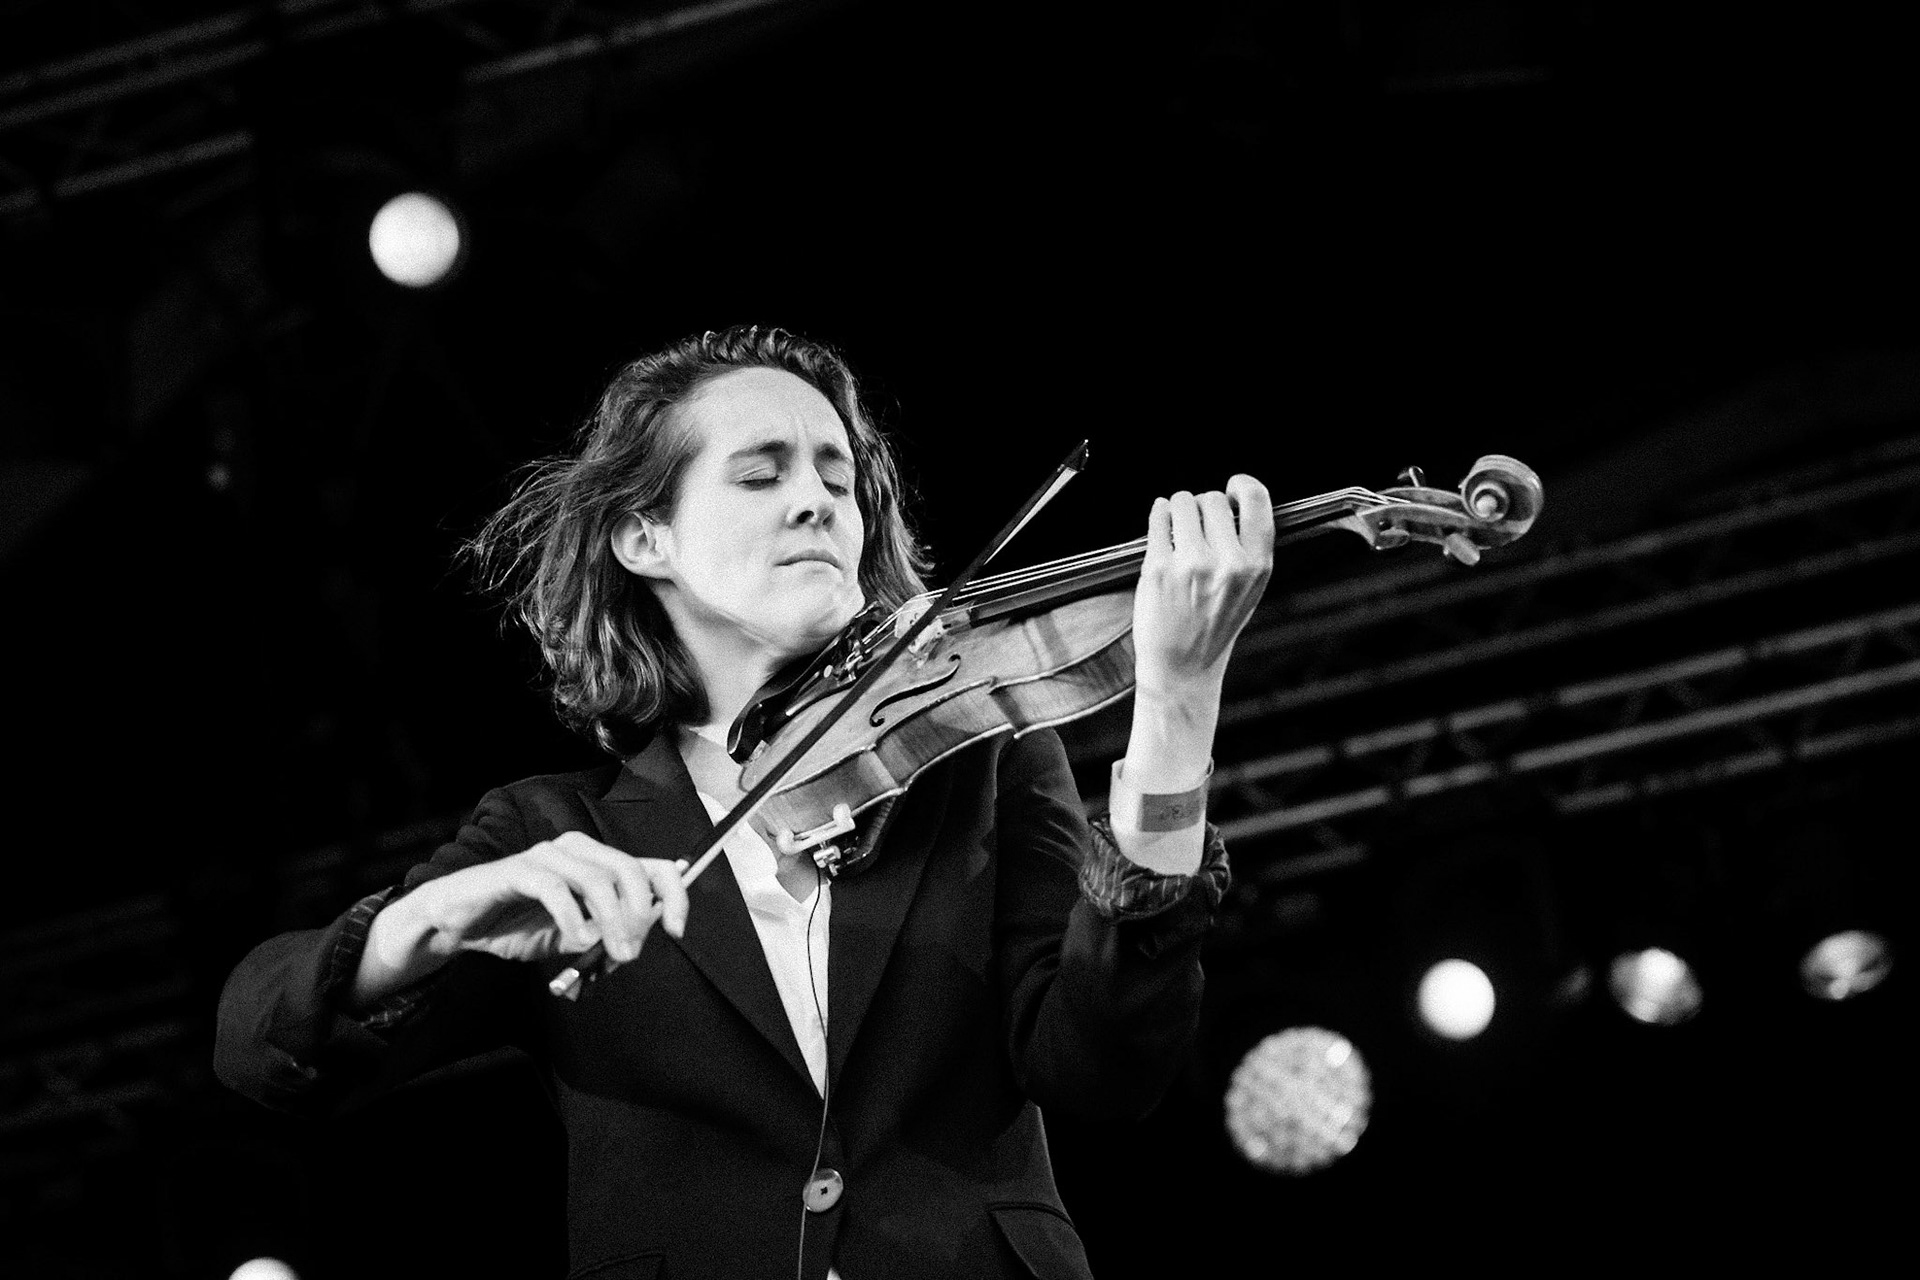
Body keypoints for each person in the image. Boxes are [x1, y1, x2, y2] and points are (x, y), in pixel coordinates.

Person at [215, 325, 1274, 1280]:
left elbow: (1103, 1066)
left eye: (837, 476)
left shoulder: (979, 761)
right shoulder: (555, 833)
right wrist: (423, 919)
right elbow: (260, 1053)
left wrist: (1178, 700)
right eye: (760, 475)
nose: (816, 500)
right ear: (645, 538)